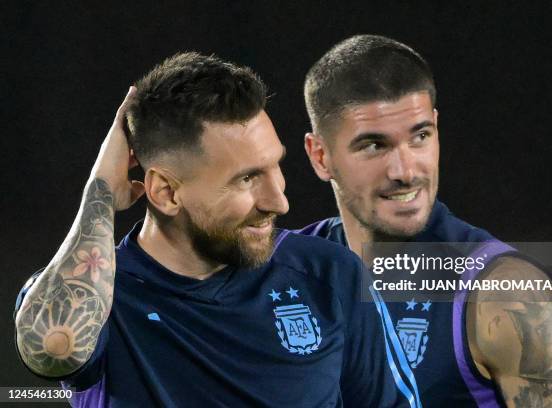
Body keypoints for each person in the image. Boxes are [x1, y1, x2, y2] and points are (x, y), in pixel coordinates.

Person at [14, 52, 409, 407]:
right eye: (247, 178)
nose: (279, 201)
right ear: (166, 192)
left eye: (276, 166)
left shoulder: (328, 274)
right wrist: (99, 194)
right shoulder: (100, 296)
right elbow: (52, 347)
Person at [298, 34, 552, 407]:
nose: (406, 171)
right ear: (320, 156)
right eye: (374, 145)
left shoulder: (504, 294)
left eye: (420, 136)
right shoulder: (292, 271)